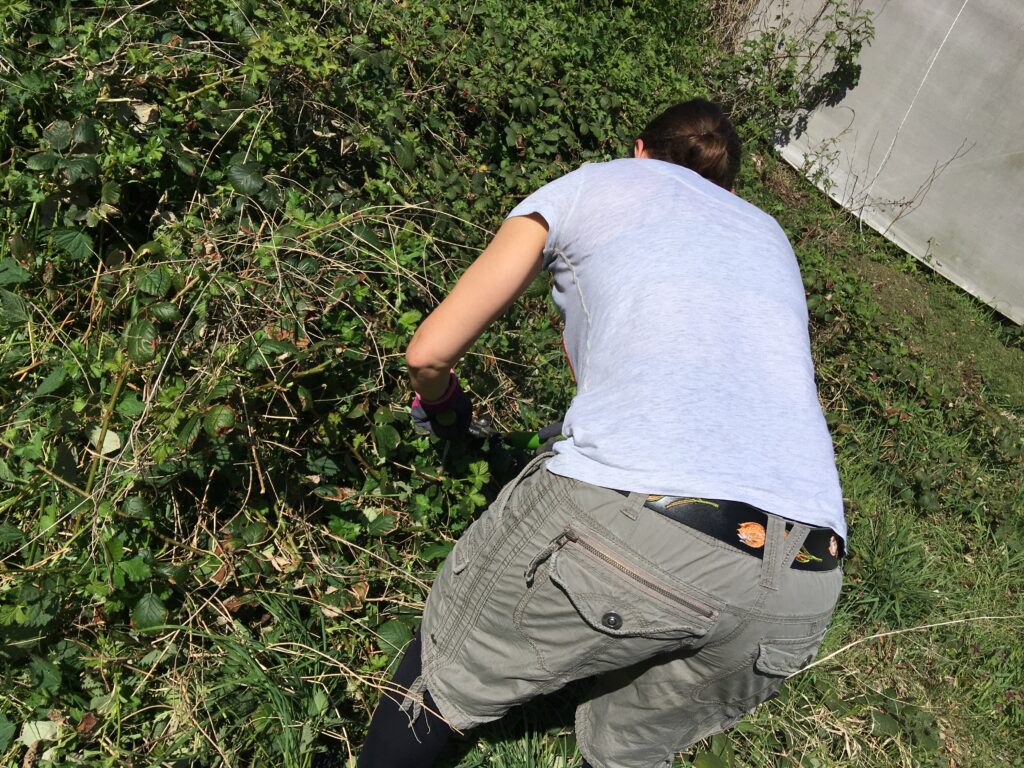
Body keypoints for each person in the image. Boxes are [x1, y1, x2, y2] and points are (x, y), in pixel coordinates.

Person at [356, 98, 846, 768]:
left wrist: (444, 409)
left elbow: (428, 353)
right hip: (807, 575)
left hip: (646, 517)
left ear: (639, 151)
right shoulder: (769, 235)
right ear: (731, 189)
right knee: (627, 755)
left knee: (443, 677)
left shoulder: (597, 184)